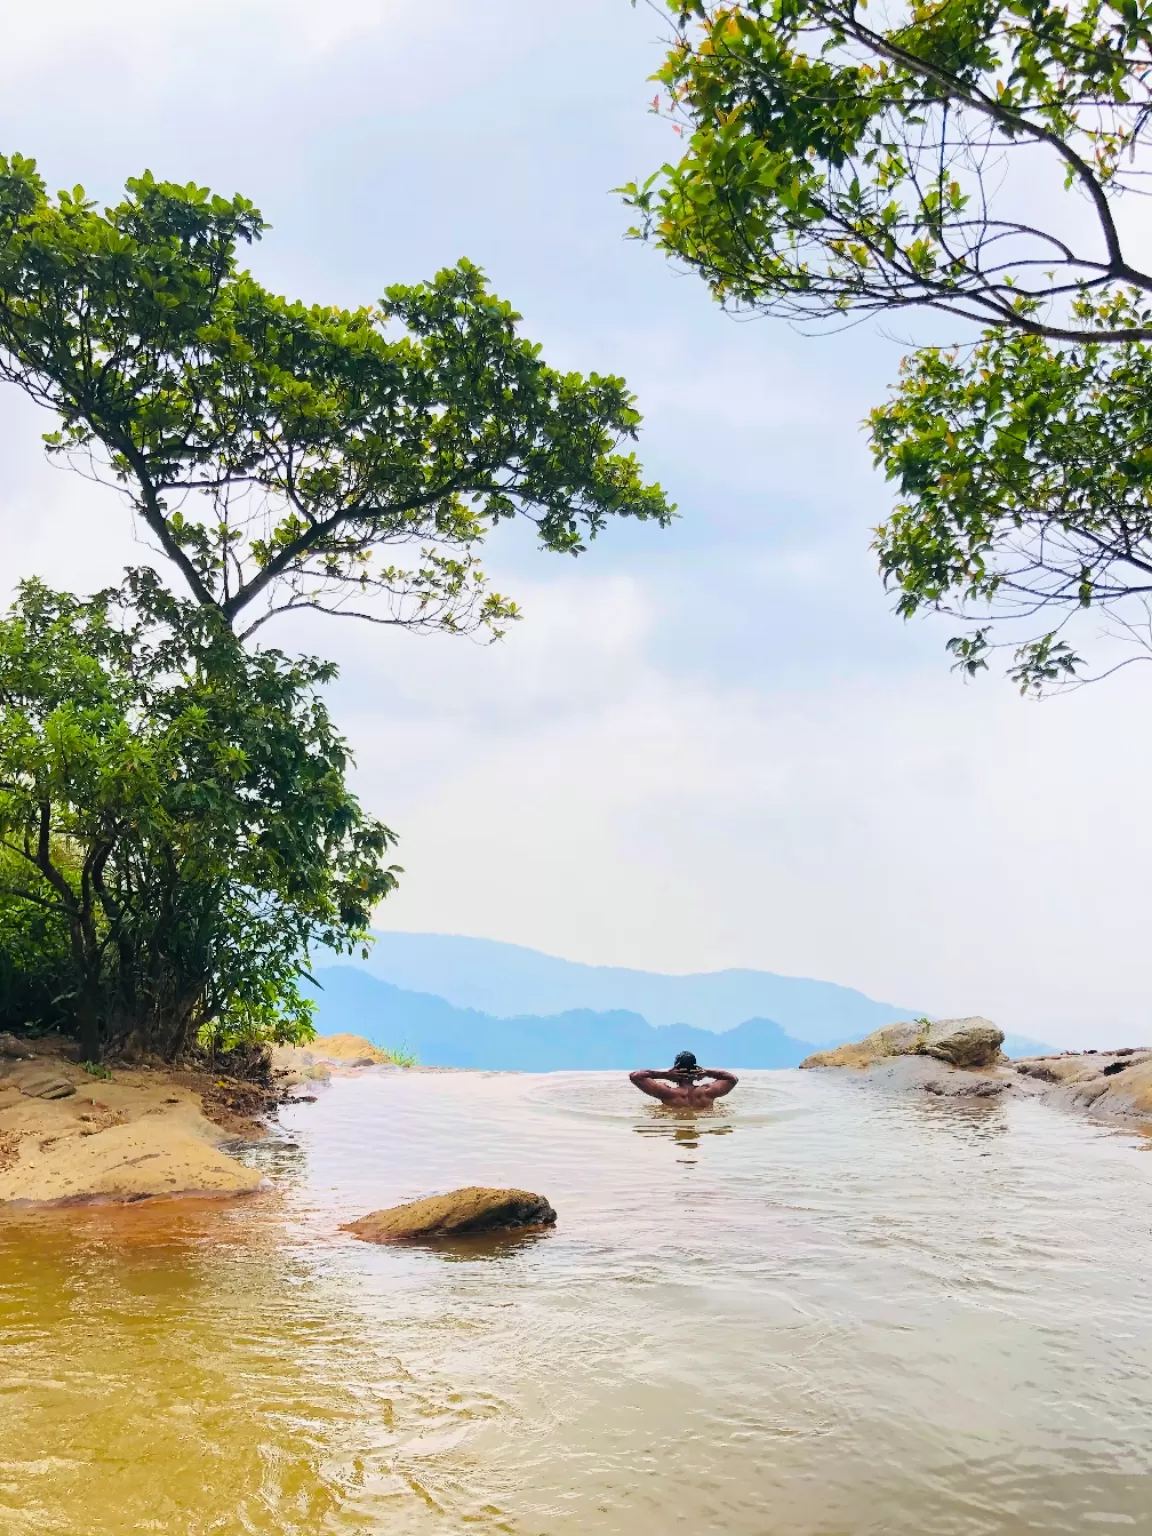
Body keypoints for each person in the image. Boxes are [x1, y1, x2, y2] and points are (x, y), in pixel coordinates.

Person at [629, 1051, 738, 1108]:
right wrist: (707, 1072)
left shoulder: (667, 1093)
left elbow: (635, 1076)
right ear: (696, 1068)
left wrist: (665, 1074)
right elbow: (732, 1079)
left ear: (675, 1068)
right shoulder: (708, 1092)